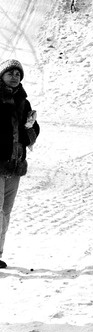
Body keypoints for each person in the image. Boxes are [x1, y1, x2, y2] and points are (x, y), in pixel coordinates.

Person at [0, 59, 39, 268]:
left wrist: (30, 126)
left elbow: (31, 134)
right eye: (10, 73)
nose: (14, 77)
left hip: (15, 163)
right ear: (2, 75)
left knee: (6, 211)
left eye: (18, 74)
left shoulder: (24, 102)